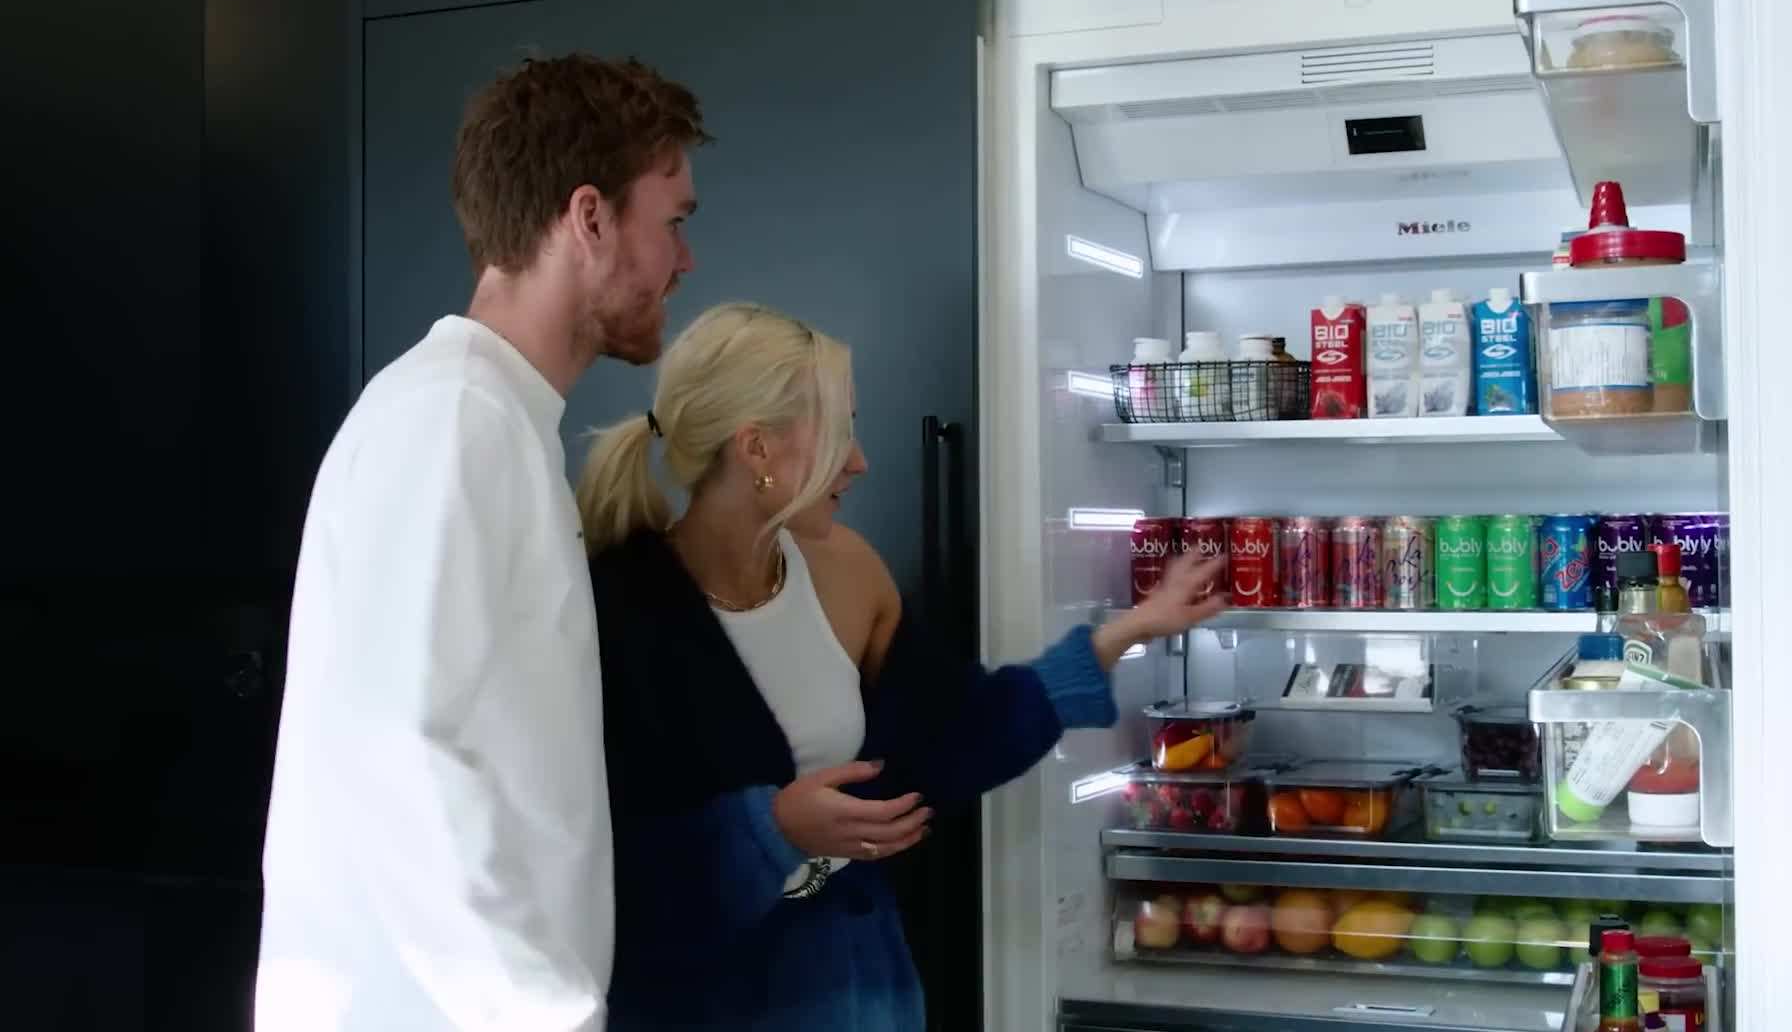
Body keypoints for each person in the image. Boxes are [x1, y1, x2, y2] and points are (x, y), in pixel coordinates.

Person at [577, 301, 1225, 1030]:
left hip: (864, 991)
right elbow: (607, 874)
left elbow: (953, 736)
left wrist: (1130, 630)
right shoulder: (618, 608)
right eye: (841, 430)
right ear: (756, 449)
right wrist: (776, 827)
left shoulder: (846, 571)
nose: (859, 461)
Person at [254, 54, 707, 1031]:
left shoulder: (486, 417)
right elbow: (396, 756)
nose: (685, 261)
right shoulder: (456, 421)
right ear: (589, 218)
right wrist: (549, 1013)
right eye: (673, 221)